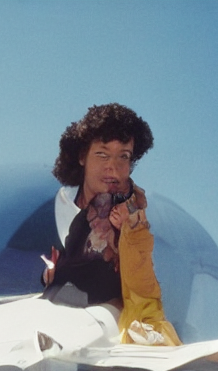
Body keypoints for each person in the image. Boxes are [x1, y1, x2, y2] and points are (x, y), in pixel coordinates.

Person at [44, 103, 179, 345]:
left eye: (123, 156)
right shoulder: (54, 210)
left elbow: (143, 285)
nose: (113, 167)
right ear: (82, 156)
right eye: (102, 154)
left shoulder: (136, 218)